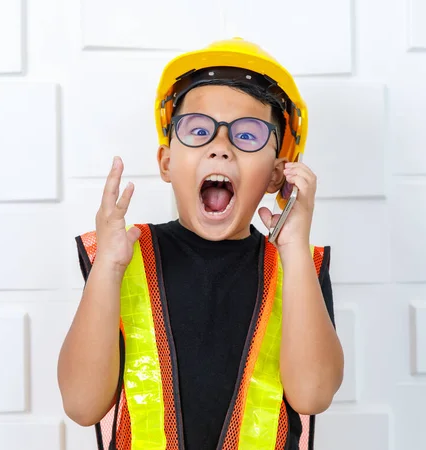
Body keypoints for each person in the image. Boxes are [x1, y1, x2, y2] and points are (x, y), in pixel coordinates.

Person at [58, 37, 344, 450]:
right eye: (198, 131)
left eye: (247, 135)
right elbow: (82, 405)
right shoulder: (123, 257)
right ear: (167, 163)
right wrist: (107, 269)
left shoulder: (299, 268)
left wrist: (296, 250)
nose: (220, 148)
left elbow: (314, 394)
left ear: (277, 175)